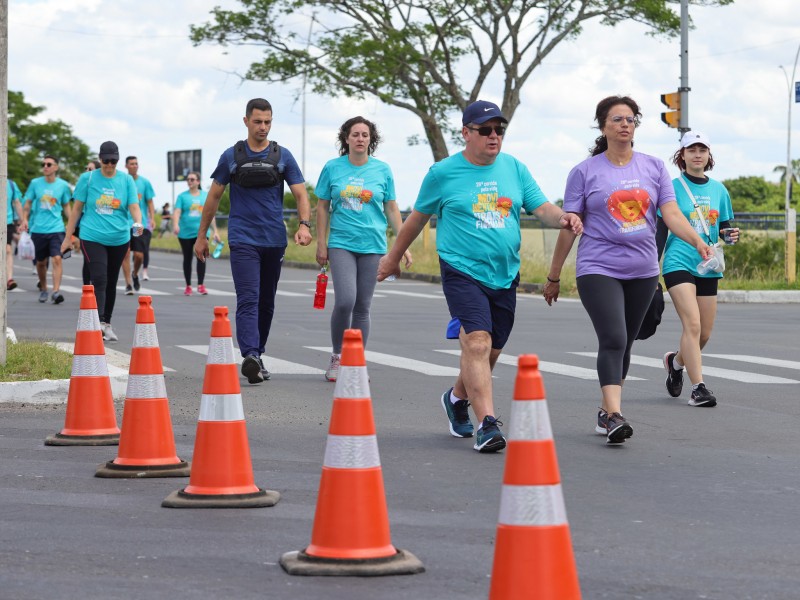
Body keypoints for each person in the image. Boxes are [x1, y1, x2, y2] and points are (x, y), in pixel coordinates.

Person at [377, 100, 582, 454]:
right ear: (466, 133)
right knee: (476, 343)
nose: (494, 136)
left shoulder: (514, 168)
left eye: (498, 130)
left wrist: (564, 218)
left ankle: (456, 398)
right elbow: (417, 218)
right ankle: (488, 423)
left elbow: (542, 207)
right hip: (461, 268)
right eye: (485, 130)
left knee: (490, 351)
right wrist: (394, 257)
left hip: (504, 273)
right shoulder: (443, 173)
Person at [543, 95, 712, 445]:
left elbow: (672, 214)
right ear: (603, 126)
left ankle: (607, 409)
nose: (624, 124)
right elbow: (569, 225)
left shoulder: (652, 167)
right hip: (597, 267)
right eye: (617, 119)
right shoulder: (585, 172)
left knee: (627, 343)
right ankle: (615, 417)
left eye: (630, 119)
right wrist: (554, 275)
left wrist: (697, 241)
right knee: (614, 338)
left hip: (643, 270)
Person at [194, 98, 313, 384]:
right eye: (258, 121)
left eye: (268, 122)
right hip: (242, 238)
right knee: (248, 298)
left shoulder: (282, 155)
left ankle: (258, 353)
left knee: (267, 301)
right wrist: (202, 236)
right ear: (246, 121)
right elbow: (213, 197)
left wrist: (305, 226)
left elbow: (300, 194)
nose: (263, 127)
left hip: (274, 239)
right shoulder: (231, 156)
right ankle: (250, 355)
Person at [315, 116, 412, 381]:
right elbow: (322, 207)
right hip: (341, 243)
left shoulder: (382, 170)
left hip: (373, 245)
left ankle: (355, 361)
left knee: (362, 306)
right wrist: (321, 243)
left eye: (365, 135)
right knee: (345, 300)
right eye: (355, 134)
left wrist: (402, 245)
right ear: (346, 139)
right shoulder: (333, 168)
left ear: (371, 140)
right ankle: (337, 356)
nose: (360, 139)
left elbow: (391, 208)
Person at [660, 131, 738, 408]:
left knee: (703, 333)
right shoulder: (670, 188)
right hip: (678, 262)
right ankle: (699, 388)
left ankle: (676, 361)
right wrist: (650, 270)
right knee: (691, 324)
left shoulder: (719, 190)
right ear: (681, 155)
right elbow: (660, 230)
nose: (697, 154)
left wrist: (730, 236)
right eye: (691, 150)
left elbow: (726, 228)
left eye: (702, 150)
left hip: (708, 266)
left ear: (709, 155)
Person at [61, 141, 144, 342]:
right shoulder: (87, 179)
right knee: (99, 278)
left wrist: (138, 222)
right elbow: (76, 210)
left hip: (119, 238)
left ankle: (106, 323)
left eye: (113, 161)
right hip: (92, 236)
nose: (109, 165)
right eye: (106, 161)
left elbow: (133, 206)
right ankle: (96, 322)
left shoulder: (125, 181)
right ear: (100, 159)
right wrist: (68, 238)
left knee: (111, 281)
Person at [20, 155, 72, 304]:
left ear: (56, 167)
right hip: (38, 229)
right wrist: (25, 219)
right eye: (43, 164)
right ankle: (43, 289)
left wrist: (71, 223)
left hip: (56, 228)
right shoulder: (35, 183)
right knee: (41, 263)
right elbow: (28, 202)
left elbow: (67, 205)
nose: (45, 167)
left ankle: (56, 292)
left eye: (49, 164)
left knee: (57, 258)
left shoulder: (62, 185)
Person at [174, 172, 220, 295]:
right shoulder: (182, 196)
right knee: (187, 258)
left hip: (202, 232)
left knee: (201, 258)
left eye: (192, 179)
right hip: (185, 233)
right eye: (188, 179)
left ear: (198, 181)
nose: (190, 181)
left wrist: (215, 231)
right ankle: (188, 286)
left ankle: (200, 285)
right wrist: (175, 224)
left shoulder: (205, 196)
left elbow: (211, 213)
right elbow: (177, 212)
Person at [125, 156, 156, 284]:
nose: (134, 166)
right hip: (123, 224)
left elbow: (150, 202)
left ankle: (135, 273)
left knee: (139, 255)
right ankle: (128, 284)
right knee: (125, 254)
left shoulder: (144, 182)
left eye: (136, 163)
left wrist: (152, 218)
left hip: (138, 224)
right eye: (131, 164)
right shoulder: (122, 181)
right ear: (126, 166)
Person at [5, 178, 24, 290]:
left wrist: (22, 221)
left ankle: (9, 279)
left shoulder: (11, 184)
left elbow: (17, 202)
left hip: (7, 222)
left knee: (8, 249)